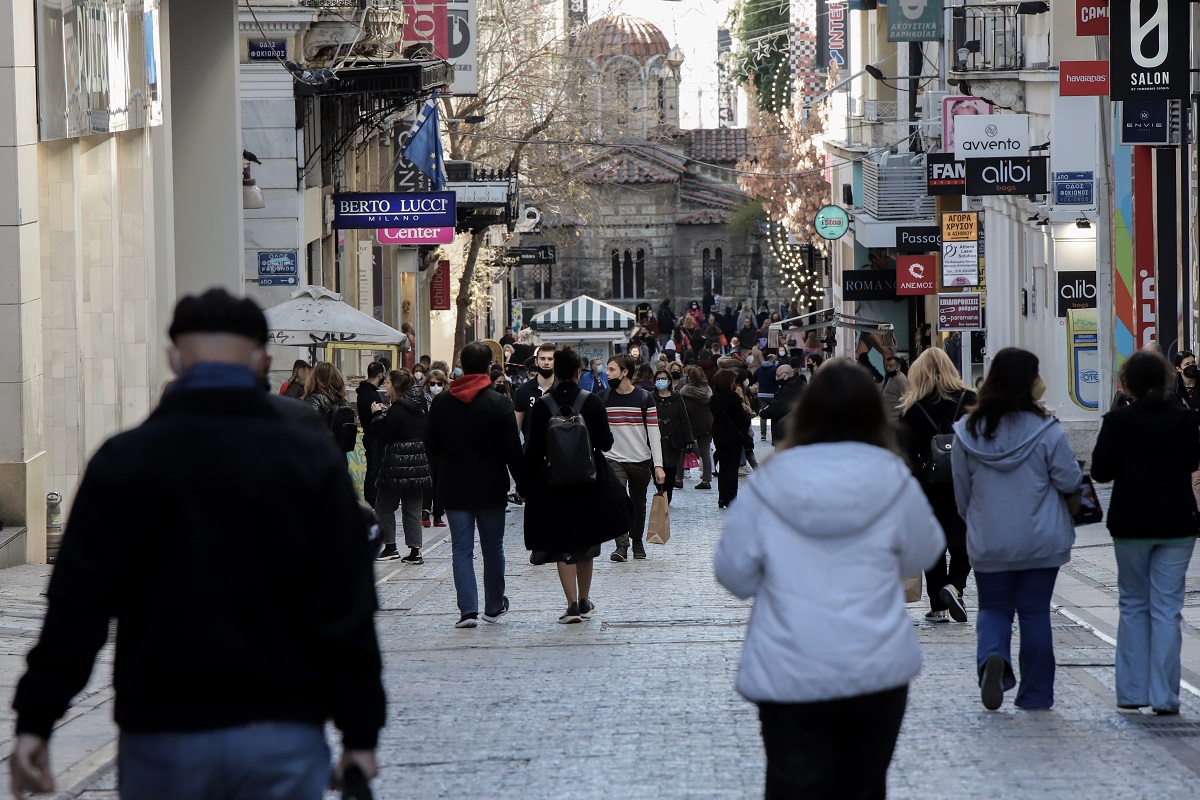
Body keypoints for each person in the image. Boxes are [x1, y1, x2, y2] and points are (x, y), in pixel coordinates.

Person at [11, 289, 384, 800]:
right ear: (260, 360)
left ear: (173, 359)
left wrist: (37, 718)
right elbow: (346, 605)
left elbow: (77, 606)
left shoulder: (124, 461)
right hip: (281, 725)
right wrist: (359, 733)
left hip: (163, 729)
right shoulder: (308, 460)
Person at [714, 360, 944, 800]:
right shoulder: (892, 478)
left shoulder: (770, 482)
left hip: (790, 664)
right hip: (874, 665)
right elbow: (925, 552)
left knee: (792, 786)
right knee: (864, 786)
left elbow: (734, 573)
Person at [952, 347, 1082, 711]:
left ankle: (993, 657)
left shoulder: (966, 432)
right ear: (1030, 383)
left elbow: (961, 492)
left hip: (991, 539)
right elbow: (1070, 479)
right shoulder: (1046, 430)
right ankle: (1036, 694)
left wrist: (975, 522)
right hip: (1041, 540)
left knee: (993, 609)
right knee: (1035, 613)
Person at [1091, 351, 1200, 714]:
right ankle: (1165, 696)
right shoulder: (1185, 421)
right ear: (1167, 379)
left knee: (1134, 606)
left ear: (1128, 385)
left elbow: (1101, 471)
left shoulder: (1118, 421)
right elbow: (1193, 463)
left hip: (1132, 524)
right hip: (1177, 522)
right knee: (1168, 609)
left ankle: (1132, 692)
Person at [425, 341, 525, 628]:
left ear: (461, 366)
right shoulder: (499, 402)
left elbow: (430, 442)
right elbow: (512, 450)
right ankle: (493, 606)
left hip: (454, 485)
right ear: (487, 368)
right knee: (493, 548)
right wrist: (523, 483)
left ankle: (467, 611)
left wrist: (446, 462)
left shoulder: (443, 401)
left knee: (461, 549)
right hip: (490, 486)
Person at [523, 348, 621, 623]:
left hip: (553, 482)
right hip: (588, 482)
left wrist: (525, 482)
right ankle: (584, 600)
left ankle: (570, 606)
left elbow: (532, 449)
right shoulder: (591, 402)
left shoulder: (543, 405)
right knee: (586, 541)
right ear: (579, 371)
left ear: (555, 370)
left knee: (562, 543)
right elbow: (606, 443)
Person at [898, 348, 976, 624]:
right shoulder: (970, 400)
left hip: (926, 486)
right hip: (964, 482)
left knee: (932, 544)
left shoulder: (911, 409)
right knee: (964, 539)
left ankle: (938, 607)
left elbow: (904, 455)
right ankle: (953, 586)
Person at [602, 354, 665, 562]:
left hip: (640, 460)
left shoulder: (644, 398)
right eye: (607, 370)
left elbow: (654, 433)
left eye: (612, 370)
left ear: (624, 372)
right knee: (618, 501)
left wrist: (658, 465)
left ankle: (637, 541)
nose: (607, 373)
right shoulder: (603, 398)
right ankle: (621, 545)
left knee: (638, 504)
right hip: (613, 459)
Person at [371, 369, 431, 564]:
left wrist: (378, 415)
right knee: (412, 509)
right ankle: (415, 551)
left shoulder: (397, 409)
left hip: (396, 464)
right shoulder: (417, 406)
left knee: (384, 506)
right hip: (418, 464)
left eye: (387, 383)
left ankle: (390, 547)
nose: (385, 386)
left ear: (396, 386)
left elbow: (386, 434)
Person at [710, 368, 752, 509]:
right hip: (733, 436)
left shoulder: (714, 398)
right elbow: (740, 418)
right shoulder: (733, 397)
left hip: (719, 436)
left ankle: (722, 498)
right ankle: (731, 498)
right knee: (732, 468)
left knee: (723, 467)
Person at [653, 364, 693, 503]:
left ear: (669, 381)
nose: (660, 381)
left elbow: (684, 419)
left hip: (673, 443)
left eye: (663, 378)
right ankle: (660, 492)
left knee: (670, 473)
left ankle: (667, 497)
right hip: (655, 442)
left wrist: (689, 440)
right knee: (656, 471)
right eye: (658, 379)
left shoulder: (677, 398)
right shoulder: (650, 398)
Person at [356, 361, 388, 507]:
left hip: (369, 436)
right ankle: (372, 498)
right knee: (374, 468)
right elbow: (375, 417)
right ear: (380, 375)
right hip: (374, 437)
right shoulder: (370, 394)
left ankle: (372, 497)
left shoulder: (363, 392)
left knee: (373, 468)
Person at [422, 369, 450, 528]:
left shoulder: (447, 400)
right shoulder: (422, 400)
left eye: (439, 383)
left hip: (443, 446)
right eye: (432, 383)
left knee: (441, 481)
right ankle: (425, 511)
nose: (436, 386)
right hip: (426, 445)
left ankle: (438, 514)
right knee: (428, 480)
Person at [513, 343, 557, 442]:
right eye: (542, 359)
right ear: (536, 362)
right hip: (531, 452)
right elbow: (516, 428)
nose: (546, 362)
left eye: (550, 359)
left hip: (558, 452)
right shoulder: (523, 391)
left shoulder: (563, 390)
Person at [680, 365, 715, 490]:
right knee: (705, 452)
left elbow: (685, 410)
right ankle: (706, 479)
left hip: (691, 425)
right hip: (707, 424)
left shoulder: (686, 392)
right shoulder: (708, 390)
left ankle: (678, 478)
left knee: (682, 450)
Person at [759, 364, 804, 446]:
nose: (776, 378)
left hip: (786, 432)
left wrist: (764, 412)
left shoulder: (790, 387)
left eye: (778, 376)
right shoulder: (796, 384)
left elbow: (779, 407)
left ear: (787, 374)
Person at [753, 353, 780, 441]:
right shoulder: (774, 369)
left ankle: (763, 435)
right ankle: (774, 433)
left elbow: (753, 379)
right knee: (773, 414)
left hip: (761, 394)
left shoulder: (759, 369)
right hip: (772, 394)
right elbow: (778, 380)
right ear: (771, 359)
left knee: (763, 413)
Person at [880, 355, 909, 423]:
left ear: (898, 367)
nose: (888, 368)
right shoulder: (891, 377)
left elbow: (906, 398)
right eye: (887, 366)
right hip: (888, 418)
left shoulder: (900, 379)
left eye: (891, 366)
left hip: (894, 420)